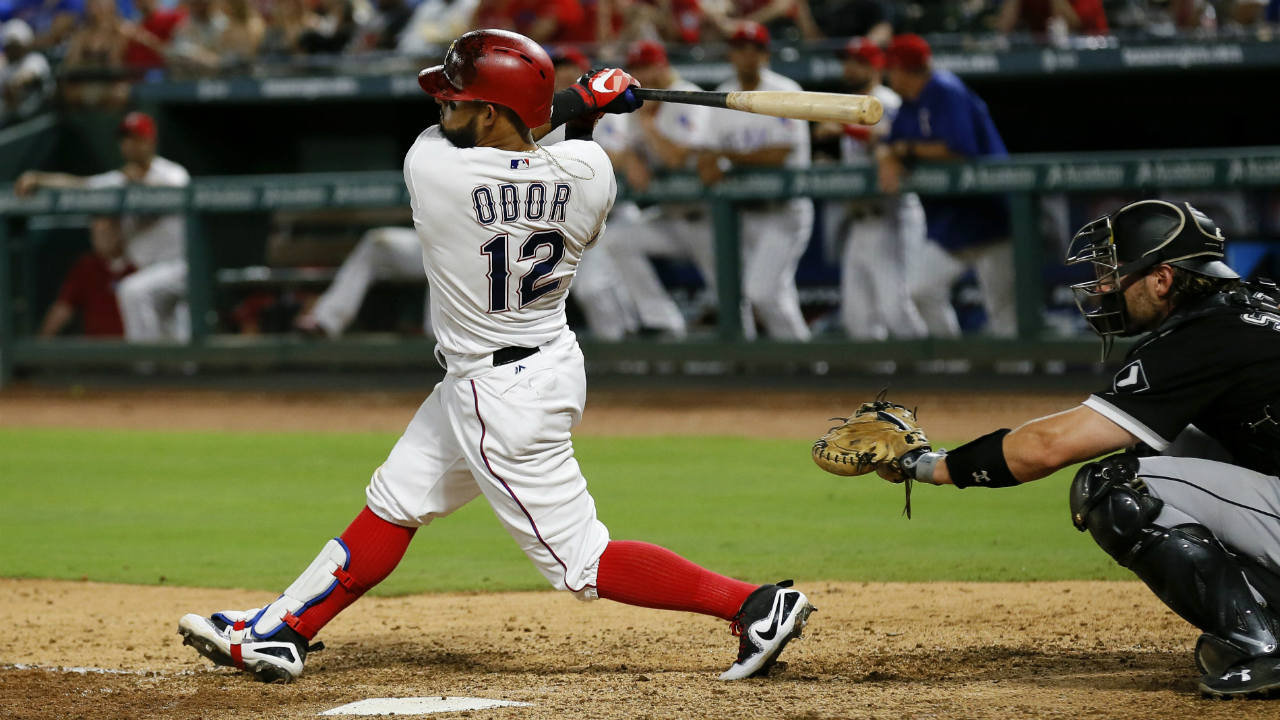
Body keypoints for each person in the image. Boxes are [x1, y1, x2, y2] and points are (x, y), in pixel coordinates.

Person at [176, 29, 814, 684]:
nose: (442, 110)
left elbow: (526, 129)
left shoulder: (433, 169)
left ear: (486, 112)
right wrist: (591, 107)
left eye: (456, 100)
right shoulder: (593, 177)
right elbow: (561, 152)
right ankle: (285, 628)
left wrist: (581, 100)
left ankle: (753, 604)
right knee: (395, 500)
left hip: (499, 396)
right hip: (543, 362)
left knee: (583, 560)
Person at [844, 200, 1280, 697]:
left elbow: (1049, 447)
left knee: (1116, 486)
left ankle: (1262, 649)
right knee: (1183, 448)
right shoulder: (1260, 308)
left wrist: (925, 464)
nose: (1102, 288)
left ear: (1162, 279)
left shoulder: (1201, 339)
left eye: (1117, 273)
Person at [878, 33, 1015, 338]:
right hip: (952, 221)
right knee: (920, 290)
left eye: (891, 68)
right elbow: (889, 144)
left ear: (903, 68)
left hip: (990, 214)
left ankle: (1024, 380)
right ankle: (955, 365)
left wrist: (905, 151)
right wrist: (888, 155)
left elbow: (958, 149)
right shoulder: (909, 104)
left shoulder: (945, 89)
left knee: (1003, 309)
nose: (888, 75)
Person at [16, 112, 193, 343]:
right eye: (125, 139)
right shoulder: (119, 179)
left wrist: (135, 183)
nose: (129, 145)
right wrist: (39, 179)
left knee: (133, 292)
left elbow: (168, 193)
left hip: (178, 267)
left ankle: (147, 366)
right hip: (147, 271)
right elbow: (80, 185)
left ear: (150, 141)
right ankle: (151, 370)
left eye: (136, 138)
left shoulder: (172, 173)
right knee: (174, 343)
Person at [697, 21, 814, 340]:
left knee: (762, 292)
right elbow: (707, 152)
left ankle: (805, 362)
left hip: (784, 209)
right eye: (740, 49)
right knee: (764, 294)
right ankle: (802, 364)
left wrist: (725, 157)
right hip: (743, 213)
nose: (747, 56)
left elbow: (778, 155)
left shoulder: (787, 91)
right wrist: (709, 160)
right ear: (730, 55)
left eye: (755, 49)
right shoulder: (721, 95)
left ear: (766, 54)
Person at [596, 39, 712, 339]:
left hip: (710, 220)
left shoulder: (688, 95)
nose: (641, 75)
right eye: (635, 68)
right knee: (617, 241)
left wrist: (649, 127)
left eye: (646, 67)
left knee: (733, 297)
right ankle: (664, 322)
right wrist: (632, 157)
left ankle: (751, 366)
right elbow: (625, 152)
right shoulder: (641, 106)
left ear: (663, 64)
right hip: (671, 217)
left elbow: (676, 158)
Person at [814, 37, 927, 341]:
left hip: (893, 215)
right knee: (858, 316)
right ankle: (882, 381)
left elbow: (886, 136)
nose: (849, 67)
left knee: (897, 308)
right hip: (860, 220)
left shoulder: (885, 100)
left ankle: (934, 374)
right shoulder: (850, 105)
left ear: (877, 66)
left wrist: (845, 126)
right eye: (847, 61)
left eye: (859, 61)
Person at [39, 216, 136, 338]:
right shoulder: (86, 266)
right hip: (96, 349)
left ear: (119, 232)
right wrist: (42, 341)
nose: (100, 239)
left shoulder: (137, 265)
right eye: (95, 234)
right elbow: (63, 308)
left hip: (132, 348)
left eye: (105, 233)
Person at [0, 18, 54, 126]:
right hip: (12, 122)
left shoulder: (35, 59)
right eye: (9, 46)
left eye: (15, 45)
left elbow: (27, 76)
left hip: (37, 120)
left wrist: (15, 84)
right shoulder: (6, 68)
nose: (12, 49)